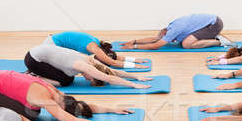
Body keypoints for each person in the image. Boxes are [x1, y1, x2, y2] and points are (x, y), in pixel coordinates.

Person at [0, 70, 134, 121]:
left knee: (33, 110)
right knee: (28, 117)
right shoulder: (47, 99)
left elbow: (80, 107)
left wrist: (112, 109)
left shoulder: (56, 92)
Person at [24, 45, 152, 89]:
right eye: (91, 79)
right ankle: (31, 76)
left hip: (39, 53)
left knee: (68, 77)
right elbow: (108, 77)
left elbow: (112, 71)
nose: (87, 79)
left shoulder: (90, 60)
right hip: (33, 59)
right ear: (94, 74)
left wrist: (136, 76)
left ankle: (34, 73)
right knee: (65, 81)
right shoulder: (84, 65)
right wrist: (133, 84)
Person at [119, 13, 231, 50]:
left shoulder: (174, 30)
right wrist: (133, 41)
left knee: (186, 44)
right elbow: (155, 39)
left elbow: (156, 45)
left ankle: (219, 41)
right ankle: (212, 35)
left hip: (214, 24)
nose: (166, 39)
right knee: (185, 41)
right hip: (209, 23)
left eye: (165, 37)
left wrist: (134, 47)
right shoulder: (169, 28)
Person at [45, 31, 149, 69]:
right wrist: (135, 66)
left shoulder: (99, 45)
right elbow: (112, 61)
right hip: (52, 45)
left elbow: (113, 57)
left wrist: (134, 59)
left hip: (54, 41)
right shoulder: (95, 48)